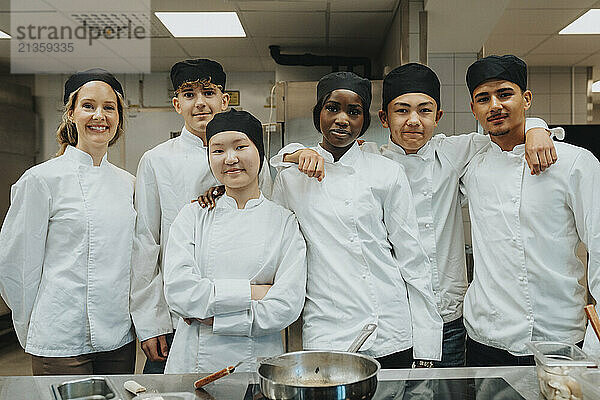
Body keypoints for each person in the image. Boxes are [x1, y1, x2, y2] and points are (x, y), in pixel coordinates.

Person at [273, 63, 559, 367]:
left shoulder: (455, 152)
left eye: (424, 111)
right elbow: (314, 156)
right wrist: (292, 152)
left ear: (438, 117)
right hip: (394, 318)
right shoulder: (371, 157)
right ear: (383, 119)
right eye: (402, 111)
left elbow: (503, 131)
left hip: (449, 316)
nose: (413, 121)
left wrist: (537, 127)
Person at [271, 71, 443, 368]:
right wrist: (291, 153)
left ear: (365, 121)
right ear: (318, 114)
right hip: (327, 330)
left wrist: (426, 347)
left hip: (390, 326)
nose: (342, 119)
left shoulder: (386, 172)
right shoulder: (290, 179)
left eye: (354, 111)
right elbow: (280, 252)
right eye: (332, 108)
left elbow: (412, 258)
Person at [130, 59, 273, 374]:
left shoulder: (253, 160)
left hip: (241, 311)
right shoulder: (156, 161)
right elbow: (146, 243)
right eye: (189, 94)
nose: (200, 103)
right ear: (176, 104)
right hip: (175, 316)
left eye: (208, 92)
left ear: (224, 100)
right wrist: (150, 320)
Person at [461, 55, 600, 366]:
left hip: (559, 336)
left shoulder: (575, 164)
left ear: (526, 99)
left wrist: (596, 342)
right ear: (474, 109)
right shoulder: (471, 166)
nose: (494, 105)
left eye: (505, 94)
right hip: (486, 338)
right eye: (483, 99)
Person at [0, 69, 136, 375]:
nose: (99, 115)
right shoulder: (41, 180)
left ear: (118, 118)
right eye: (88, 106)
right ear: (71, 113)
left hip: (117, 337)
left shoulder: (128, 184)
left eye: (109, 107)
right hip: (59, 337)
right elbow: (16, 264)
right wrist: (33, 326)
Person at [162, 109, 307, 374]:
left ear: (260, 153)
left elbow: (286, 306)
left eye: (241, 146)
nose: (230, 158)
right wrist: (256, 292)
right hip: (192, 361)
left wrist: (210, 317)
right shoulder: (192, 216)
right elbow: (179, 293)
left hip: (259, 365)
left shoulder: (284, 222)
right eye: (217, 150)